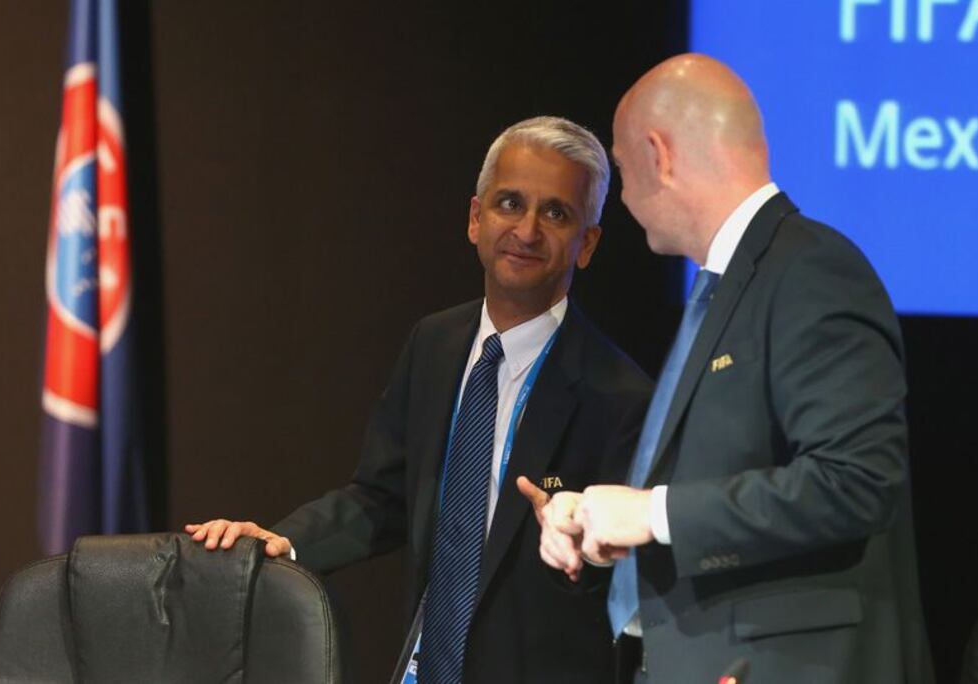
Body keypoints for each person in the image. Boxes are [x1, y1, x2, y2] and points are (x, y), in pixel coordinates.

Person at [186, 116, 652, 684]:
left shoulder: (621, 395)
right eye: (509, 204)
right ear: (475, 219)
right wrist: (286, 540)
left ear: (588, 244)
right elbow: (383, 498)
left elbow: (629, 580)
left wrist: (587, 550)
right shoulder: (435, 342)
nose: (527, 231)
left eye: (556, 213)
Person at [525, 54, 935, 682]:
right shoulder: (727, 287)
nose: (625, 199)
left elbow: (856, 481)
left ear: (660, 155)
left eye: (624, 170)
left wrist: (652, 514)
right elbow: (715, 493)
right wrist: (607, 527)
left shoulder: (811, 270)